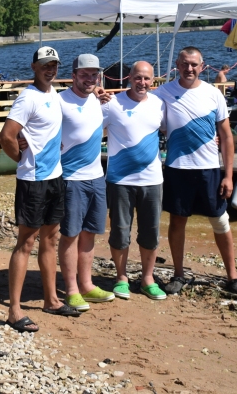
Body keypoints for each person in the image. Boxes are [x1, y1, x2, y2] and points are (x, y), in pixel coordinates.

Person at [155, 46, 237, 297]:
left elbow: (227, 136)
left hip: (209, 169)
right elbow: (135, 101)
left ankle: (233, 277)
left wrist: (229, 175)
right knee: (177, 222)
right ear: (177, 64)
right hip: (178, 168)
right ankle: (178, 274)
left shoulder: (213, 93)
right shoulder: (162, 93)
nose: (189, 69)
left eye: (194, 64)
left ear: (202, 66)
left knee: (221, 221)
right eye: (185, 63)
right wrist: (102, 94)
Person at [0, 46, 79, 332]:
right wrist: (20, 159)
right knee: (26, 242)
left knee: (51, 239)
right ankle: (14, 310)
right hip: (33, 181)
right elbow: (6, 135)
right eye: (45, 64)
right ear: (34, 67)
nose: (50, 69)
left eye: (54, 64)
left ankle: (51, 300)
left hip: (55, 177)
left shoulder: (53, 94)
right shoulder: (27, 97)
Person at [101, 60, 167, 301]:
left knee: (150, 232)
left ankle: (148, 279)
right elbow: (88, 128)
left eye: (147, 79)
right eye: (138, 78)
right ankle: (121, 278)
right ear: (129, 78)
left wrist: (211, 141)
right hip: (120, 180)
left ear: (153, 81)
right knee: (120, 231)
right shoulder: (112, 104)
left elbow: (175, 130)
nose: (142, 83)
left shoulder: (160, 105)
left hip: (152, 180)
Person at [57, 54, 115, 312]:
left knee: (90, 233)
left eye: (94, 74)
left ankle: (87, 285)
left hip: (96, 178)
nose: (90, 79)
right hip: (70, 179)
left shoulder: (96, 100)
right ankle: (71, 289)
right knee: (70, 235)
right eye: (85, 74)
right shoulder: (59, 101)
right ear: (74, 75)